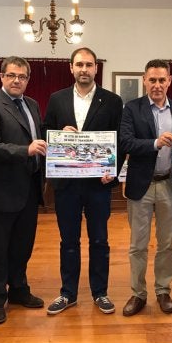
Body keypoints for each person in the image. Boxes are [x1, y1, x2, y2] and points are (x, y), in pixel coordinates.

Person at [43, 47, 123, 315]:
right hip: (66, 183)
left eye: (89, 64)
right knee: (68, 241)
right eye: (79, 64)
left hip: (99, 183)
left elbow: (120, 140)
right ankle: (68, 293)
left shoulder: (112, 101)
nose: (84, 69)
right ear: (71, 68)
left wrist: (114, 170)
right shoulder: (57, 99)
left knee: (99, 240)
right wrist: (58, 133)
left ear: (96, 68)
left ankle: (100, 292)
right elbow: (45, 131)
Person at [0, 56, 47, 324]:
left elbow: (38, 136)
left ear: (28, 79)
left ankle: (18, 290)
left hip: (28, 189)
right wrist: (25, 150)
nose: (17, 80)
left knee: (21, 247)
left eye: (22, 76)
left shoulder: (32, 104)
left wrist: (60, 134)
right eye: (12, 75)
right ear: (2, 76)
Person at [119, 59, 172, 316]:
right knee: (138, 245)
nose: (157, 85)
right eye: (152, 80)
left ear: (169, 80)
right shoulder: (132, 108)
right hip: (141, 185)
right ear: (144, 80)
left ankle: (163, 290)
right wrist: (155, 143)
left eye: (162, 80)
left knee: (167, 244)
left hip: (171, 184)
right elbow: (125, 142)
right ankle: (138, 293)